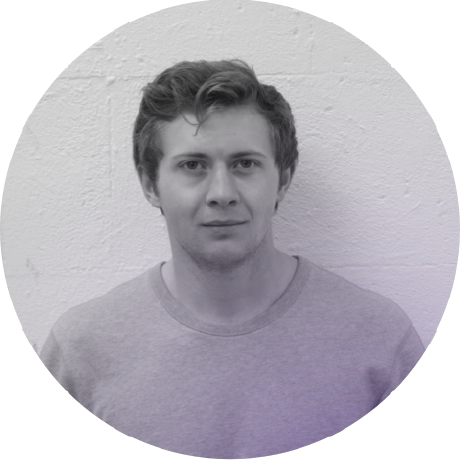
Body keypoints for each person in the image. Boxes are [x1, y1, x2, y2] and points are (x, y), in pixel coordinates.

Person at [39, 59, 425, 457]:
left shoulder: (380, 343)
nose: (221, 193)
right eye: (193, 165)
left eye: (245, 164)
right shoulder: (81, 352)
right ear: (150, 183)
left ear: (283, 179)